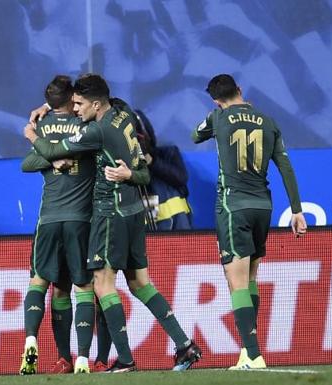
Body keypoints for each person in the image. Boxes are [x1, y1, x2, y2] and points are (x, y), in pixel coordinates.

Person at [24, 73, 201, 373]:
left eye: (79, 104)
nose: (76, 110)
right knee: (140, 283)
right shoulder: (124, 112)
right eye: (73, 103)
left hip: (110, 213)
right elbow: (143, 173)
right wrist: (50, 105)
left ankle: (126, 360)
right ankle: (184, 345)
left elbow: (53, 152)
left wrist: (32, 134)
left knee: (103, 285)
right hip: (134, 211)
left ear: (94, 103)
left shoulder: (97, 132)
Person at [191, 74, 307, 370]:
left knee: (236, 282)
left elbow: (195, 135)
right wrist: (296, 209)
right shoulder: (268, 120)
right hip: (262, 207)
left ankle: (253, 355)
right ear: (240, 90)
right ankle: (247, 351)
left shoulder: (218, 117)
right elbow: (285, 166)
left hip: (233, 207)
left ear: (216, 100)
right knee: (250, 279)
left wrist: (218, 113)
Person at [19, 75, 95, 375]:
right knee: (82, 287)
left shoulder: (42, 127)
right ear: (72, 97)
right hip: (80, 218)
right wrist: (58, 158)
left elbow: (26, 164)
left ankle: (32, 340)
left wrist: (48, 158)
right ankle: (82, 359)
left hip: (48, 219)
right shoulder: (85, 125)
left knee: (43, 282)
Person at [134, 110, 192, 230]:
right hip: (146, 236)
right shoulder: (124, 167)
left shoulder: (168, 153)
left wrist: (151, 162)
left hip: (177, 231)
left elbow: (180, 178)